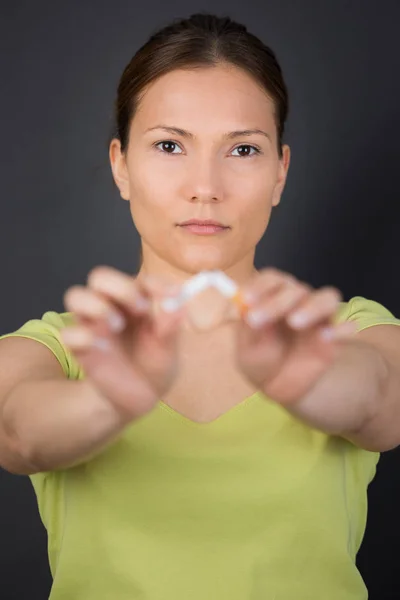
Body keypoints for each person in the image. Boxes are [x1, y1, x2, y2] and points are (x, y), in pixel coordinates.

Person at [0, 12, 400, 600]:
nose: (205, 185)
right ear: (121, 165)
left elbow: (381, 402)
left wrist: (309, 380)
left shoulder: (349, 330)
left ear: (280, 173)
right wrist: (107, 396)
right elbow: (19, 432)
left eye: (242, 149)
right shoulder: (54, 349)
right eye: (169, 145)